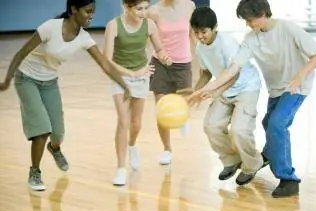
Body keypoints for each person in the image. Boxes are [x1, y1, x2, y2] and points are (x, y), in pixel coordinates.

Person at [188, 0, 316, 197]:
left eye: (249, 19)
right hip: (276, 89)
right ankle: (267, 154)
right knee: (268, 123)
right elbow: (233, 69)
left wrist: (299, 76)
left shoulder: (288, 29)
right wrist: (203, 90)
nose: (247, 23)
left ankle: (288, 178)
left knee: (277, 125)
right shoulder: (251, 39)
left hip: (297, 87)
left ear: (263, 13)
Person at [0, 0, 130, 191]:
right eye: (88, 11)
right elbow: (21, 53)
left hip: (50, 81)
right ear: (73, 10)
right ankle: (34, 172)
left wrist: (124, 84)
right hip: (26, 78)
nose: (92, 16)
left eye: (93, 12)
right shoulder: (49, 28)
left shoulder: (84, 38)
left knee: (58, 132)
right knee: (42, 129)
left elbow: (104, 63)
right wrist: (7, 80)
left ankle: (55, 148)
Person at [189, 6, 266, 185]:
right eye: (196, 32)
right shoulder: (200, 47)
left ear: (214, 27)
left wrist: (213, 91)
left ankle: (252, 164)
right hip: (224, 88)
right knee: (211, 126)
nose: (200, 36)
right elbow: (206, 73)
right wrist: (195, 91)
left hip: (246, 87)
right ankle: (232, 161)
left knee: (239, 131)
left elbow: (235, 74)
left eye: (203, 32)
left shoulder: (227, 43)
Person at [103, 0, 171, 186]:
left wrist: (164, 56)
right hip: (120, 77)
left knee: (136, 123)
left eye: (146, 8)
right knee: (123, 121)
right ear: (126, 7)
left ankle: (132, 145)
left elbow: (159, 48)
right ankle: (121, 169)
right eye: (139, 9)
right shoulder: (113, 26)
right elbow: (107, 61)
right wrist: (132, 73)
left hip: (141, 76)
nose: (143, 12)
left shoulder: (149, 25)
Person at [147, 0, 196, 165]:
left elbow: (192, 33)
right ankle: (167, 149)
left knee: (186, 101)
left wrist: (202, 55)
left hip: (183, 63)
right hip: (161, 63)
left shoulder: (189, 5)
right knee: (161, 107)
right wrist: (161, 54)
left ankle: (183, 118)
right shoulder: (154, 11)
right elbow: (150, 37)